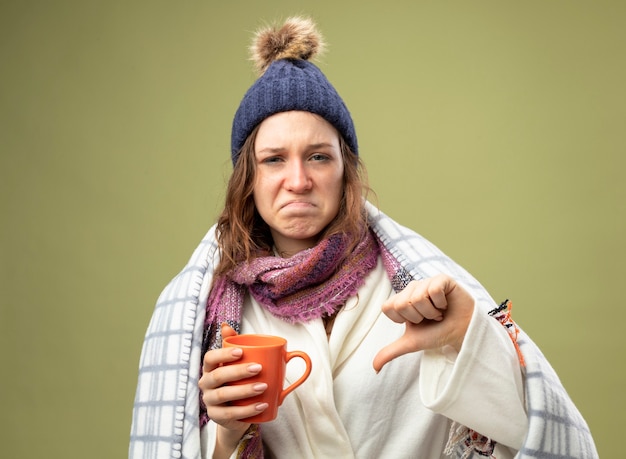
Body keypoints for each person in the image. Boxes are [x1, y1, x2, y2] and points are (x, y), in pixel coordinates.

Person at [129, 17, 598, 459]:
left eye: (318, 157)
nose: (298, 180)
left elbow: (526, 425)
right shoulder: (213, 314)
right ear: (247, 179)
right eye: (274, 159)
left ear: (345, 172)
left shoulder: (419, 290)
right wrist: (226, 432)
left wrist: (469, 338)